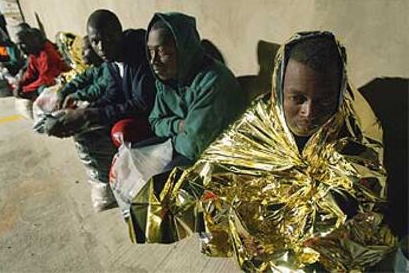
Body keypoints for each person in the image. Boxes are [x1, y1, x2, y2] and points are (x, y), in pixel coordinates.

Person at [128, 31, 395, 271]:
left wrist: (277, 243)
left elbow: (351, 212)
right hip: (270, 217)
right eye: (298, 98)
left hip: (318, 236)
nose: (309, 112)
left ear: (338, 94)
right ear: (280, 90)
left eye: (324, 100)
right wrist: (172, 201)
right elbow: (220, 160)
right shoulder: (265, 116)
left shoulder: (356, 132)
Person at [109, 12, 247, 242]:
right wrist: (179, 124)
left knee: (159, 191)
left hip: (218, 158)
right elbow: (155, 122)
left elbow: (192, 145)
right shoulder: (168, 79)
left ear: (185, 49)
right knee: (129, 156)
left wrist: (174, 132)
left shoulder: (213, 81)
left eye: (162, 52)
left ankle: (207, 229)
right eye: (150, 52)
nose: (153, 62)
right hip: (185, 145)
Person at [48, 9, 156, 212]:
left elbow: (142, 103)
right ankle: (111, 182)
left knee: (112, 128)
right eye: (95, 41)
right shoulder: (110, 62)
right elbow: (112, 94)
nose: (101, 47)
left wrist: (93, 114)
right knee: (83, 129)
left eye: (108, 39)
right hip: (136, 110)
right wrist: (87, 110)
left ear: (119, 33)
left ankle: (133, 181)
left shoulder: (140, 54)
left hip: (153, 117)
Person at [14, 28, 70, 100]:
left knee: (42, 89)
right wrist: (20, 84)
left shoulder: (47, 53)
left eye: (22, 44)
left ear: (31, 41)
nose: (20, 48)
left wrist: (25, 89)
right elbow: (31, 73)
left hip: (59, 80)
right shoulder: (33, 53)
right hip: (47, 79)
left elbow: (46, 79)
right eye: (18, 45)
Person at [56, 35, 109, 108]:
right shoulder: (94, 68)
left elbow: (98, 89)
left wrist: (74, 96)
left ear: (95, 49)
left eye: (85, 49)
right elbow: (81, 79)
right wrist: (63, 92)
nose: (82, 53)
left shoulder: (108, 67)